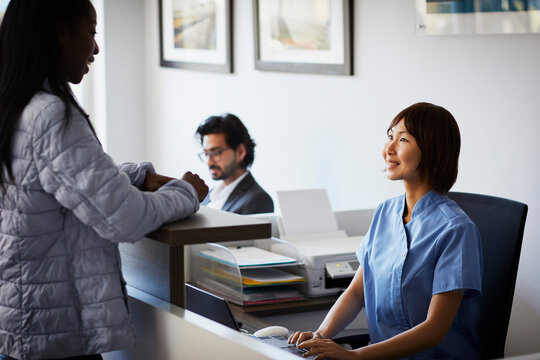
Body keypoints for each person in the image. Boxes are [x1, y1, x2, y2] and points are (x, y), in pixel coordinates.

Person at [0, 1, 208, 359]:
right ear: (62, 32)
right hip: (54, 338)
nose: (96, 48)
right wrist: (186, 191)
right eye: (91, 32)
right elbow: (125, 218)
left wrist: (135, 176)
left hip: (21, 321)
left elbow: (45, 182)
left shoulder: (16, 102)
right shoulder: (51, 114)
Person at [288, 102, 483, 359]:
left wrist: (356, 356)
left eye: (402, 139)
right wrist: (321, 335)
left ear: (433, 149)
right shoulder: (385, 213)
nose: (388, 149)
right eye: (389, 136)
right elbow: (357, 291)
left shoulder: (456, 230)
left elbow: (435, 330)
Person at [195, 113, 274, 214]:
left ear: (240, 152)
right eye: (206, 154)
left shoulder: (258, 200)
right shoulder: (208, 195)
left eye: (217, 152)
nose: (209, 162)